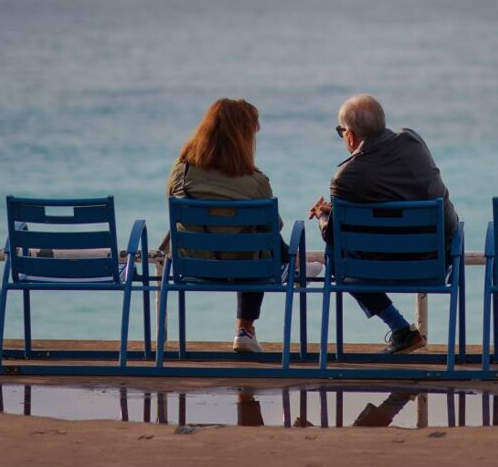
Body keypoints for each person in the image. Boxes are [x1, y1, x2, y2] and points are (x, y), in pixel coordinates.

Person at [308, 93, 459, 354]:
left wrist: (323, 215)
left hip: (377, 268)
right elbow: (400, 201)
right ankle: (409, 336)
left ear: (351, 135)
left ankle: (400, 329)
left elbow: (335, 235)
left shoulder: (346, 177)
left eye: (340, 131)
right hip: (436, 259)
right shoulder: (413, 140)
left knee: (339, 258)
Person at [163, 98, 285, 354]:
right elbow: (272, 230)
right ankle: (245, 330)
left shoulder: (180, 171)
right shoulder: (256, 182)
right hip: (245, 268)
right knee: (257, 243)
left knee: (251, 240)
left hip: (192, 264)